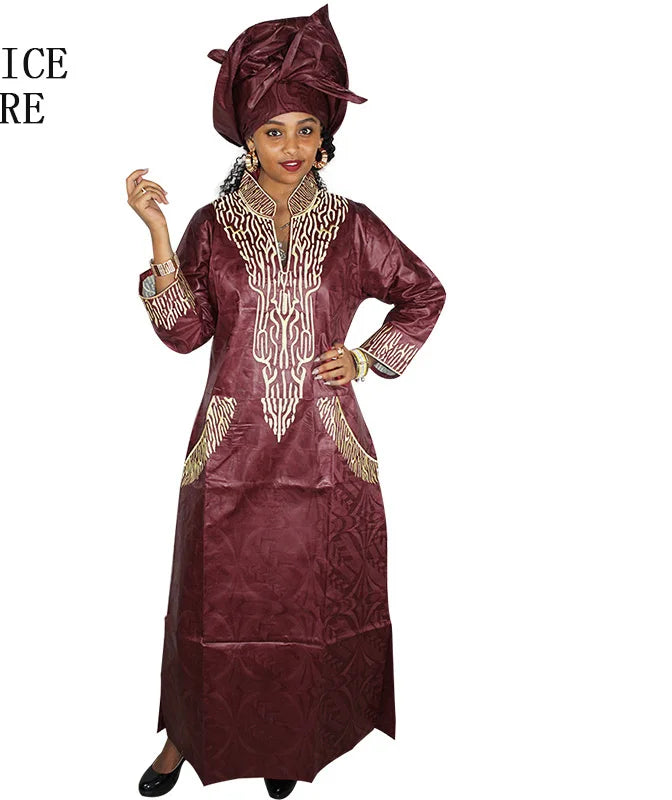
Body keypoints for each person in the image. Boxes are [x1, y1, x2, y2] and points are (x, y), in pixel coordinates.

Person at [125, 5, 446, 797]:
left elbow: (424, 293)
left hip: (325, 449)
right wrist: (159, 236)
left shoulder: (352, 226)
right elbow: (185, 333)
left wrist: (365, 358)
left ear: (325, 135)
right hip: (229, 447)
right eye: (274, 132)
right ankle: (182, 741)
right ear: (248, 139)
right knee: (211, 608)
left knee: (308, 611)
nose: (292, 146)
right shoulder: (211, 227)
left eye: (306, 129)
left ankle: (288, 741)